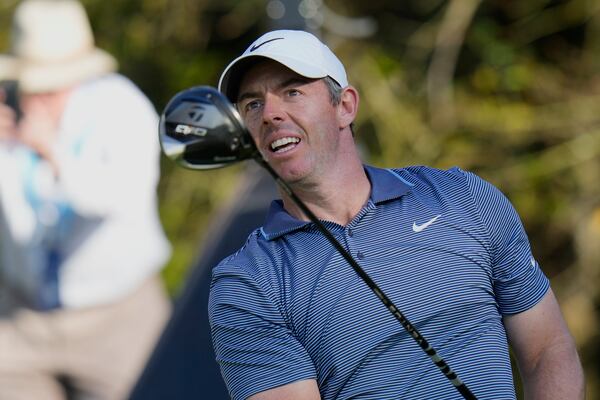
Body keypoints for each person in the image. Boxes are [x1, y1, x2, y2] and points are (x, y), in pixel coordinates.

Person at [208, 30, 585, 399]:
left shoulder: (462, 197)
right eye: (252, 104)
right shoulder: (246, 284)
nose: (271, 113)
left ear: (345, 106)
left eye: (293, 92)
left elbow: (547, 349)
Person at [0, 1, 171, 399]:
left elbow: (111, 199)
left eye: (51, 86)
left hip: (118, 318)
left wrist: (51, 152)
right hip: (20, 319)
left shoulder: (123, 109)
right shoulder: (8, 113)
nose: (38, 97)